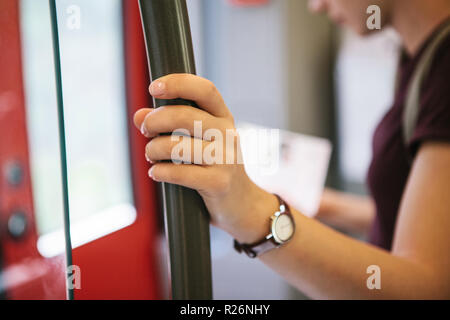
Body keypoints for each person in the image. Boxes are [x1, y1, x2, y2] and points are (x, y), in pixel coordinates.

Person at [133, 0, 450, 299]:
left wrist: (253, 211)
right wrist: (325, 206)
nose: (317, 6)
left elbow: (429, 288)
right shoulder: (420, 58)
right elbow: (415, 223)